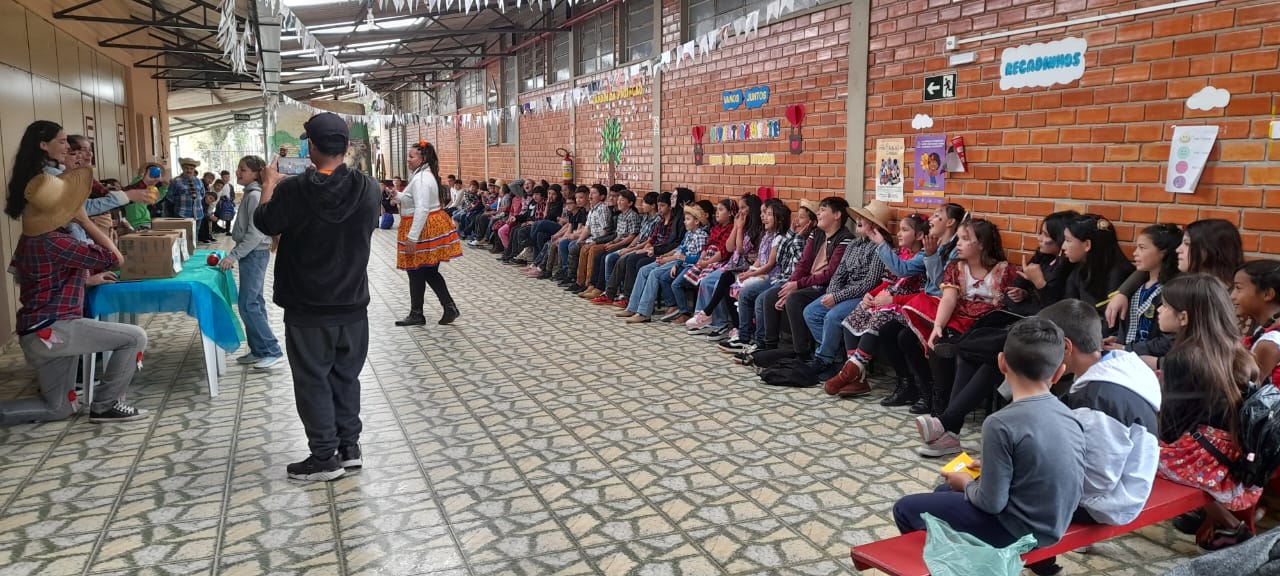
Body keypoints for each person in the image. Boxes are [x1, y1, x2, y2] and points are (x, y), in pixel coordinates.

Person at [252, 112, 381, 482]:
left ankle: (324, 457)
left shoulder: (294, 190)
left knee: (313, 380)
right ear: (346, 146)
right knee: (346, 377)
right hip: (353, 303)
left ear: (310, 146)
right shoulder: (369, 188)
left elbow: (265, 222)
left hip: (308, 305)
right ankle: (349, 448)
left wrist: (270, 184)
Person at [892, 318, 1086, 553]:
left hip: (1016, 531)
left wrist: (966, 483)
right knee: (943, 492)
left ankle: (951, 564)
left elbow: (991, 503)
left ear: (1001, 362)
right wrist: (990, 465)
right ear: (1059, 373)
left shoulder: (1000, 423)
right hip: (1053, 526)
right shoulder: (1071, 417)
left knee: (905, 508)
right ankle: (1043, 565)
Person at [1, 121, 148, 424]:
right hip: (55, 328)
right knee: (134, 337)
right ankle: (106, 405)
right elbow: (114, 257)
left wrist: (85, 277)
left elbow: (32, 275)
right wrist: (85, 221)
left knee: (60, 408)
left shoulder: (31, 239)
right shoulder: (57, 241)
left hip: (36, 331)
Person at [1031, 299, 1161, 575]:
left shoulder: (1099, 399)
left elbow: (1096, 481)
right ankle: (1042, 564)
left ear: (1066, 348)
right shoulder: (1121, 366)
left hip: (1110, 502)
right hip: (1124, 481)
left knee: (1007, 495)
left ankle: (1039, 563)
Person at [1155, 273, 1262, 550]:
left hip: (1206, 460)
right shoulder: (1239, 351)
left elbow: (1170, 430)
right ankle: (1212, 520)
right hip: (1238, 453)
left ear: (1184, 317)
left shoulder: (1182, 357)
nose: (1159, 310)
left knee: (1140, 452)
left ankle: (1228, 526)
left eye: (1165, 305)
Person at [219, 155, 282, 370]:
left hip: (255, 253)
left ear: (256, 174)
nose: (238, 173)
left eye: (243, 170)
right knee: (253, 302)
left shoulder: (255, 195)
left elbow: (256, 233)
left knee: (249, 304)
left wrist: (233, 255)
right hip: (251, 254)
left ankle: (271, 349)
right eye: (238, 168)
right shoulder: (250, 193)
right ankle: (259, 349)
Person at [393, 140, 462, 327]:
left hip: (422, 228)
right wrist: (397, 196)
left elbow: (422, 208)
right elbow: (414, 200)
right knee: (429, 271)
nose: (408, 159)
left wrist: (412, 238)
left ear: (423, 158)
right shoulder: (422, 175)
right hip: (428, 225)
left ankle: (417, 313)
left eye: (411, 156)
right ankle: (449, 307)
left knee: (416, 271)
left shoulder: (422, 179)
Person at [1233, 260, 1280, 385]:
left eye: (1238, 288)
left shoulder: (1270, 344)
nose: (1233, 296)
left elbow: (1246, 388)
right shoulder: (1265, 330)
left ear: (1267, 294)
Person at [169, 157, 207, 224]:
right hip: (181, 215)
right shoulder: (176, 181)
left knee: (196, 231)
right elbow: (170, 197)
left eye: (191, 168)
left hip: (198, 214)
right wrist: (180, 202)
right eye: (186, 168)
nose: (189, 170)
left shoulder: (199, 181)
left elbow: (202, 194)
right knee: (182, 231)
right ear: (182, 168)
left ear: (194, 170)